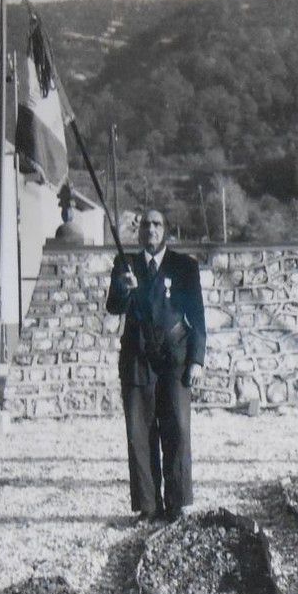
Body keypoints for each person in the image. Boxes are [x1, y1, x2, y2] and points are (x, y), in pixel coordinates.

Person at [105, 209, 206, 520]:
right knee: (140, 432)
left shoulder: (184, 267)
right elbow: (113, 307)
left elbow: (197, 317)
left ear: (166, 231)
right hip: (137, 358)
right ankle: (148, 506)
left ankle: (176, 503)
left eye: (157, 224)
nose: (151, 229)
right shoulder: (126, 264)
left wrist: (196, 360)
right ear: (139, 232)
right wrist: (124, 287)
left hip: (174, 357)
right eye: (146, 224)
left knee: (176, 427)